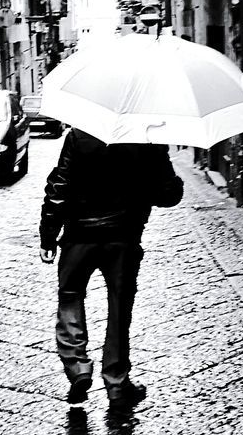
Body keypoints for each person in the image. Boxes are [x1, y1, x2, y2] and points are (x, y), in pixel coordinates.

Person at [39, 128, 183, 407]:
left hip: (78, 237)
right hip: (123, 238)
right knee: (119, 309)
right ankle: (117, 384)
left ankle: (78, 367)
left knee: (70, 296)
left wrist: (48, 233)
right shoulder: (148, 137)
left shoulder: (78, 135)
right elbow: (168, 195)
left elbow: (60, 185)